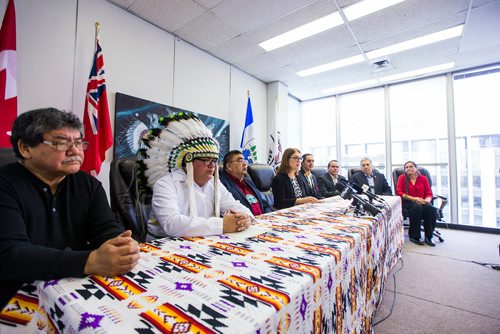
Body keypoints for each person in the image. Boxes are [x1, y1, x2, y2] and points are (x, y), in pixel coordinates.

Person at [0, 108, 140, 310]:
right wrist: (89, 261)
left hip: (70, 289)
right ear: (25, 148)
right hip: (17, 295)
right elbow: (11, 255)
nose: (75, 151)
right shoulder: (5, 184)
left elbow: (105, 227)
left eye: (78, 143)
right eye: (60, 143)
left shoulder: (88, 184)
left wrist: (120, 246)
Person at [139, 112, 253, 238]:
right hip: (163, 246)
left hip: (203, 242)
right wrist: (222, 225)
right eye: (206, 159)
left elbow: (233, 204)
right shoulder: (165, 184)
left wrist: (245, 217)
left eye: (214, 161)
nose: (212, 166)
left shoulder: (214, 183)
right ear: (188, 161)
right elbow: (171, 224)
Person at [220, 150, 273, 215]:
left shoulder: (248, 181)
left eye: (245, 161)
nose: (245, 164)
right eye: (240, 161)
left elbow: (264, 203)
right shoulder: (222, 183)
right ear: (229, 166)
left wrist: (267, 216)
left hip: (262, 220)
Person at [396, 161, 437, 246]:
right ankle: (414, 236)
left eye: (411, 166)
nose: (408, 168)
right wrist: (414, 198)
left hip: (422, 201)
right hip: (408, 201)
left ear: (416, 168)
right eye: (406, 167)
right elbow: (399, 192)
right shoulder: (402, 178)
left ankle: (429, 236)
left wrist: (427, 200)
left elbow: (429, 193)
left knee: (430, 208)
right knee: (417, 207)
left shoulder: (423, 178)